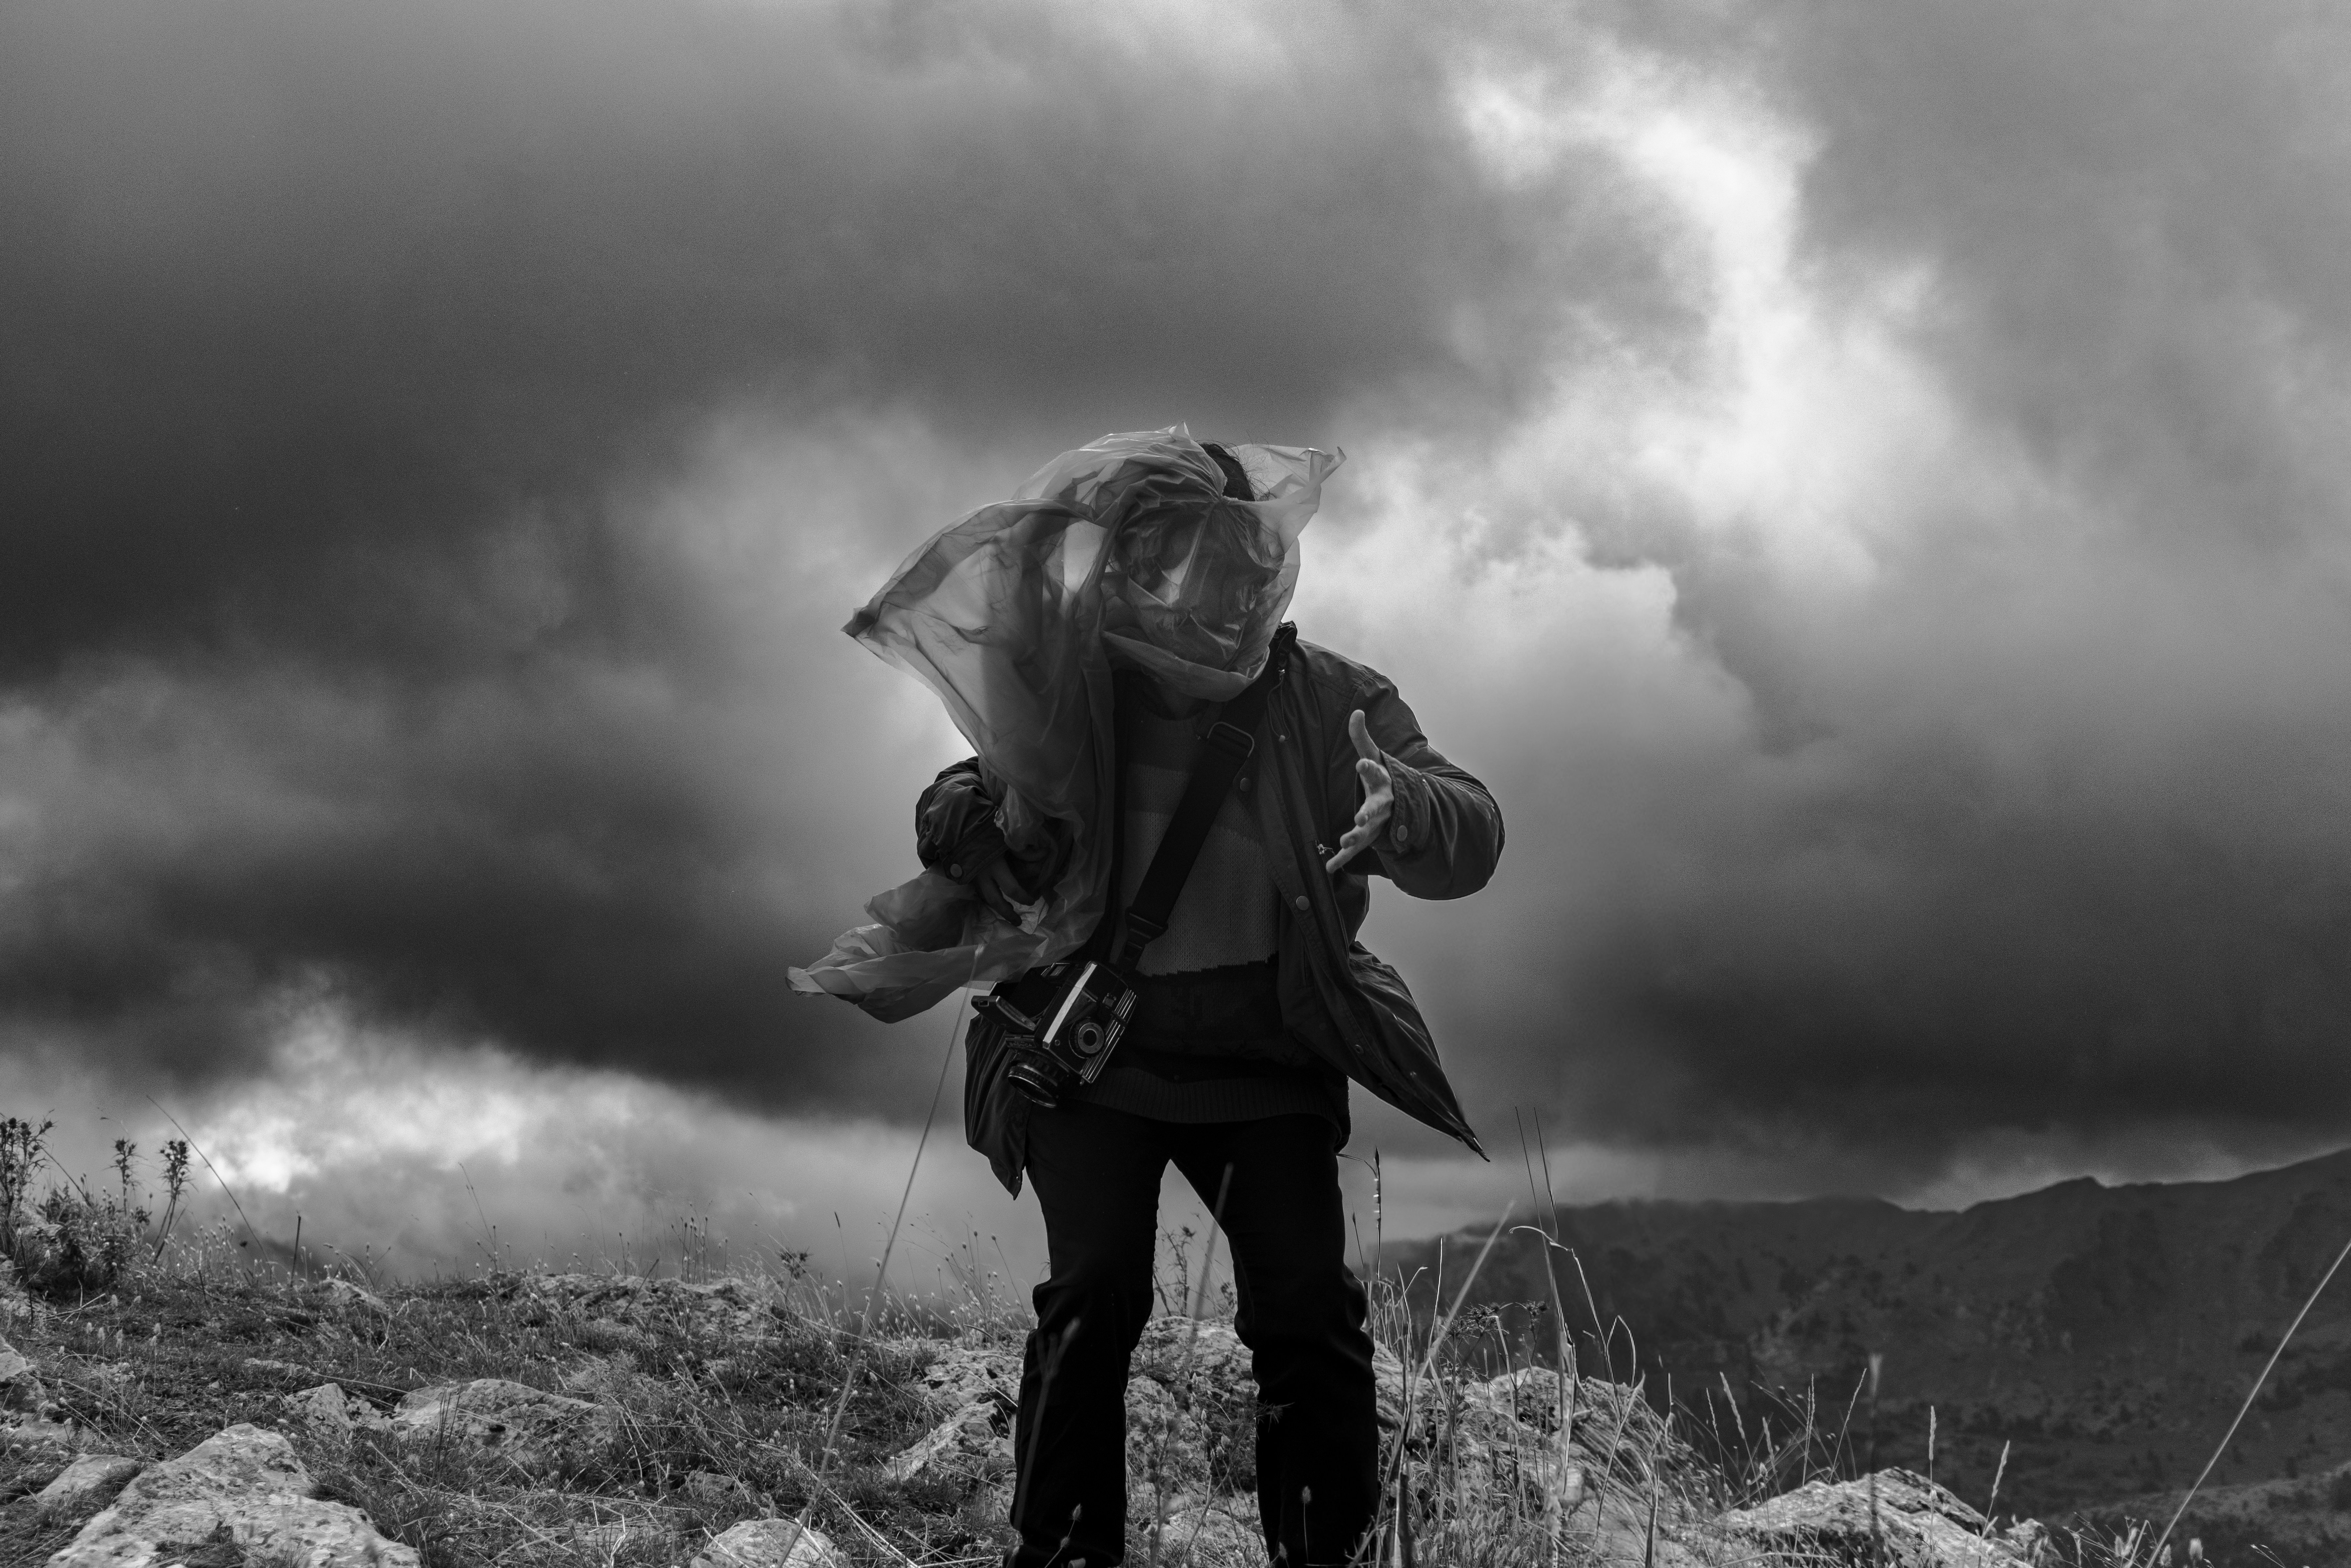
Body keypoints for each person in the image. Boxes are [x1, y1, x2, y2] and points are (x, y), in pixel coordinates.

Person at [908, 437, 1503, 1568]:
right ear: (1129, 559)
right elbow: (970, 787)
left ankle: (1321, 1555)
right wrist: (960, 819)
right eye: (1166, 555)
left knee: (1306, 1322)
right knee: (1092, 1304)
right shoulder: (1074, 681)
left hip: (1262, 1054)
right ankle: (1063, 1557)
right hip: (1092, 1056)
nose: (1195, 582)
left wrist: (1406, 807)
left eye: (1219, 557)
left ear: (1254, 560)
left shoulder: (1331, 697)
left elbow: (1472, 827)